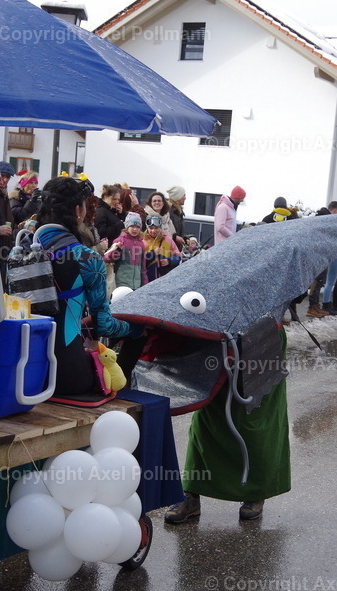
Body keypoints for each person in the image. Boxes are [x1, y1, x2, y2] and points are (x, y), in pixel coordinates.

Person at [165, 319, 291, 523]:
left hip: (263, 335)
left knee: (255, 420)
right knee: (207, 418)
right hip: (217, 332)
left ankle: (255, 492)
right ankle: (190, 493)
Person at [31, 176, 143, 397]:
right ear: (77, 210)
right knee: (127, 352)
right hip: (66, 374)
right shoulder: (87, 257)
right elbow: (105, 326)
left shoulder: (21, 247)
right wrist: (137, 329)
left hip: (25, 371)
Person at [104, 212, 146, 291]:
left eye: (137, 227)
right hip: (121, 284)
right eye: (132, 226)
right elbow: (107, 258)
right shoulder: (120, 241)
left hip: (137, 285)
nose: (135, 229)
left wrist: (144, 284)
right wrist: (117, 250)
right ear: (127, 226)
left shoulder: (141, 244)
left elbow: (143, 267)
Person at [143, 214, 181, 282]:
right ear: (147, 228)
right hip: (148, 280)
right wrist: (153, 254)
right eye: (151, 228)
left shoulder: (168, 240)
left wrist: (169, 261)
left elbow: (178, 257)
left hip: (164, 279)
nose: (153, 231)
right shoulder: (143, 242)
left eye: (156, 228)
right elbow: (140, 261)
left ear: (160, 228)